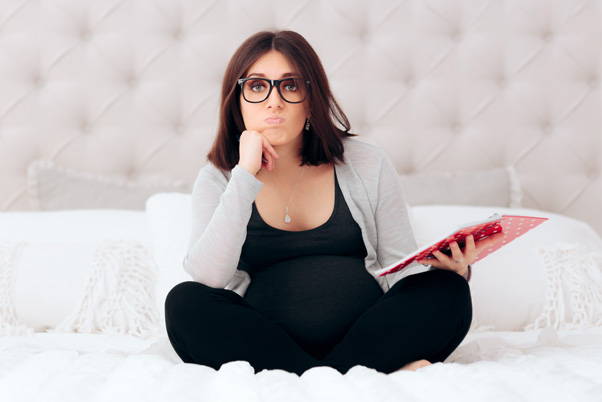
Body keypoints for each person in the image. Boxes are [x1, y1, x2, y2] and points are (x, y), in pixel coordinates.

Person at [164, 30, 503, 376]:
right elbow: (209, 277)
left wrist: (455, 269)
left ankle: (316, 378)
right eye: (257, 86)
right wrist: (245, 174)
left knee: (447, 290)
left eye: (290, 86)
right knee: (185, 302)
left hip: (369, 334)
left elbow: (400, 267)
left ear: (311, 98)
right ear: (237, 100)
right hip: (266, 342)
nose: (274, 101)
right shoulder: (219, 177)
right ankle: (359, 374)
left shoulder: (367, 162)